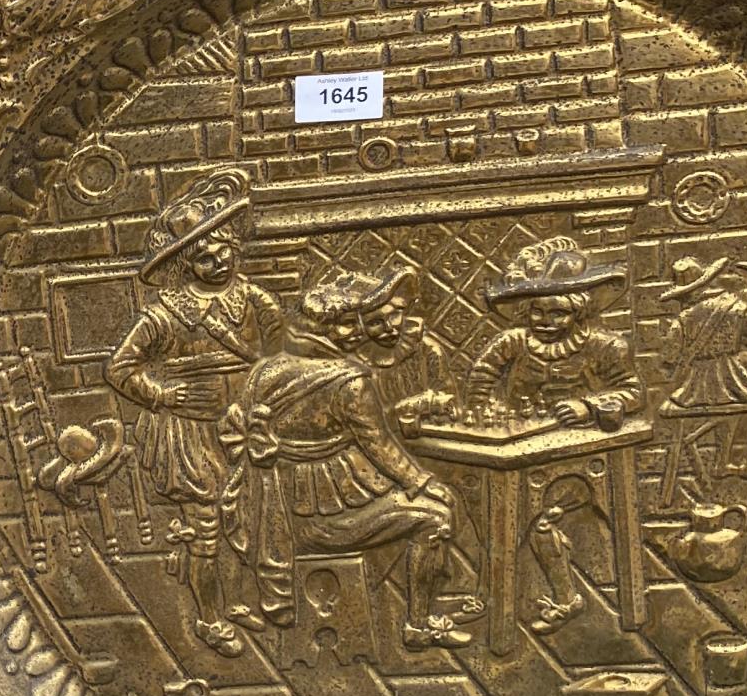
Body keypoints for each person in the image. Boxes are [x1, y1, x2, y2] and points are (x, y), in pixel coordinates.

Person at [227, 264, 466, 649]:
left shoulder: (265, 371)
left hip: (276, 514)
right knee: (436, 517)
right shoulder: (348, 381)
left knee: (431, 505)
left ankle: (437, 592)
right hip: (323, 518)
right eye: (351, 324)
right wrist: (422, 482)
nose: (360, 332)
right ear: (331, 330)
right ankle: (419, 625)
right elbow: (380, 446)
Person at [108, 171, 286, 655]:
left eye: (222, 250)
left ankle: (240, 600)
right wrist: (162, 396)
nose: (216, 261)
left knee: (250, 516)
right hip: (188, 434)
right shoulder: (164, 315)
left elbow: (280, 358)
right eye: (203, 256)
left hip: (246, 425)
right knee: (205, 527)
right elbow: (120, 368)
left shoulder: (255, 301)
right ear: (186, 263)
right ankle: (208, 617)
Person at [464, 237, 642, 428]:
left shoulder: (606, 346)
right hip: (520, 433)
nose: (546, 322)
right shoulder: (511, 342)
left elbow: (634, 393)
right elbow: (482, 375)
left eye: (558, 313)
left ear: (578, 313)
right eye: (537, 312)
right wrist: (480, 410)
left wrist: (588, 406)